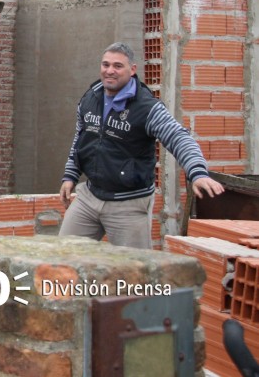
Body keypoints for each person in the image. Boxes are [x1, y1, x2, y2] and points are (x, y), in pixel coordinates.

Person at [59, 42, 224, 249]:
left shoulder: (147, 108)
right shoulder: (91, 98)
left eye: (118, 66)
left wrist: (198, 173)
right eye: (106, 64)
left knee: (133, 272)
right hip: (89, 197)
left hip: (128, 204)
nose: (110, 71)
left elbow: (178, 137)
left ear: (132, 70)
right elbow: (81, 138)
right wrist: (70, 175)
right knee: (62, 258)